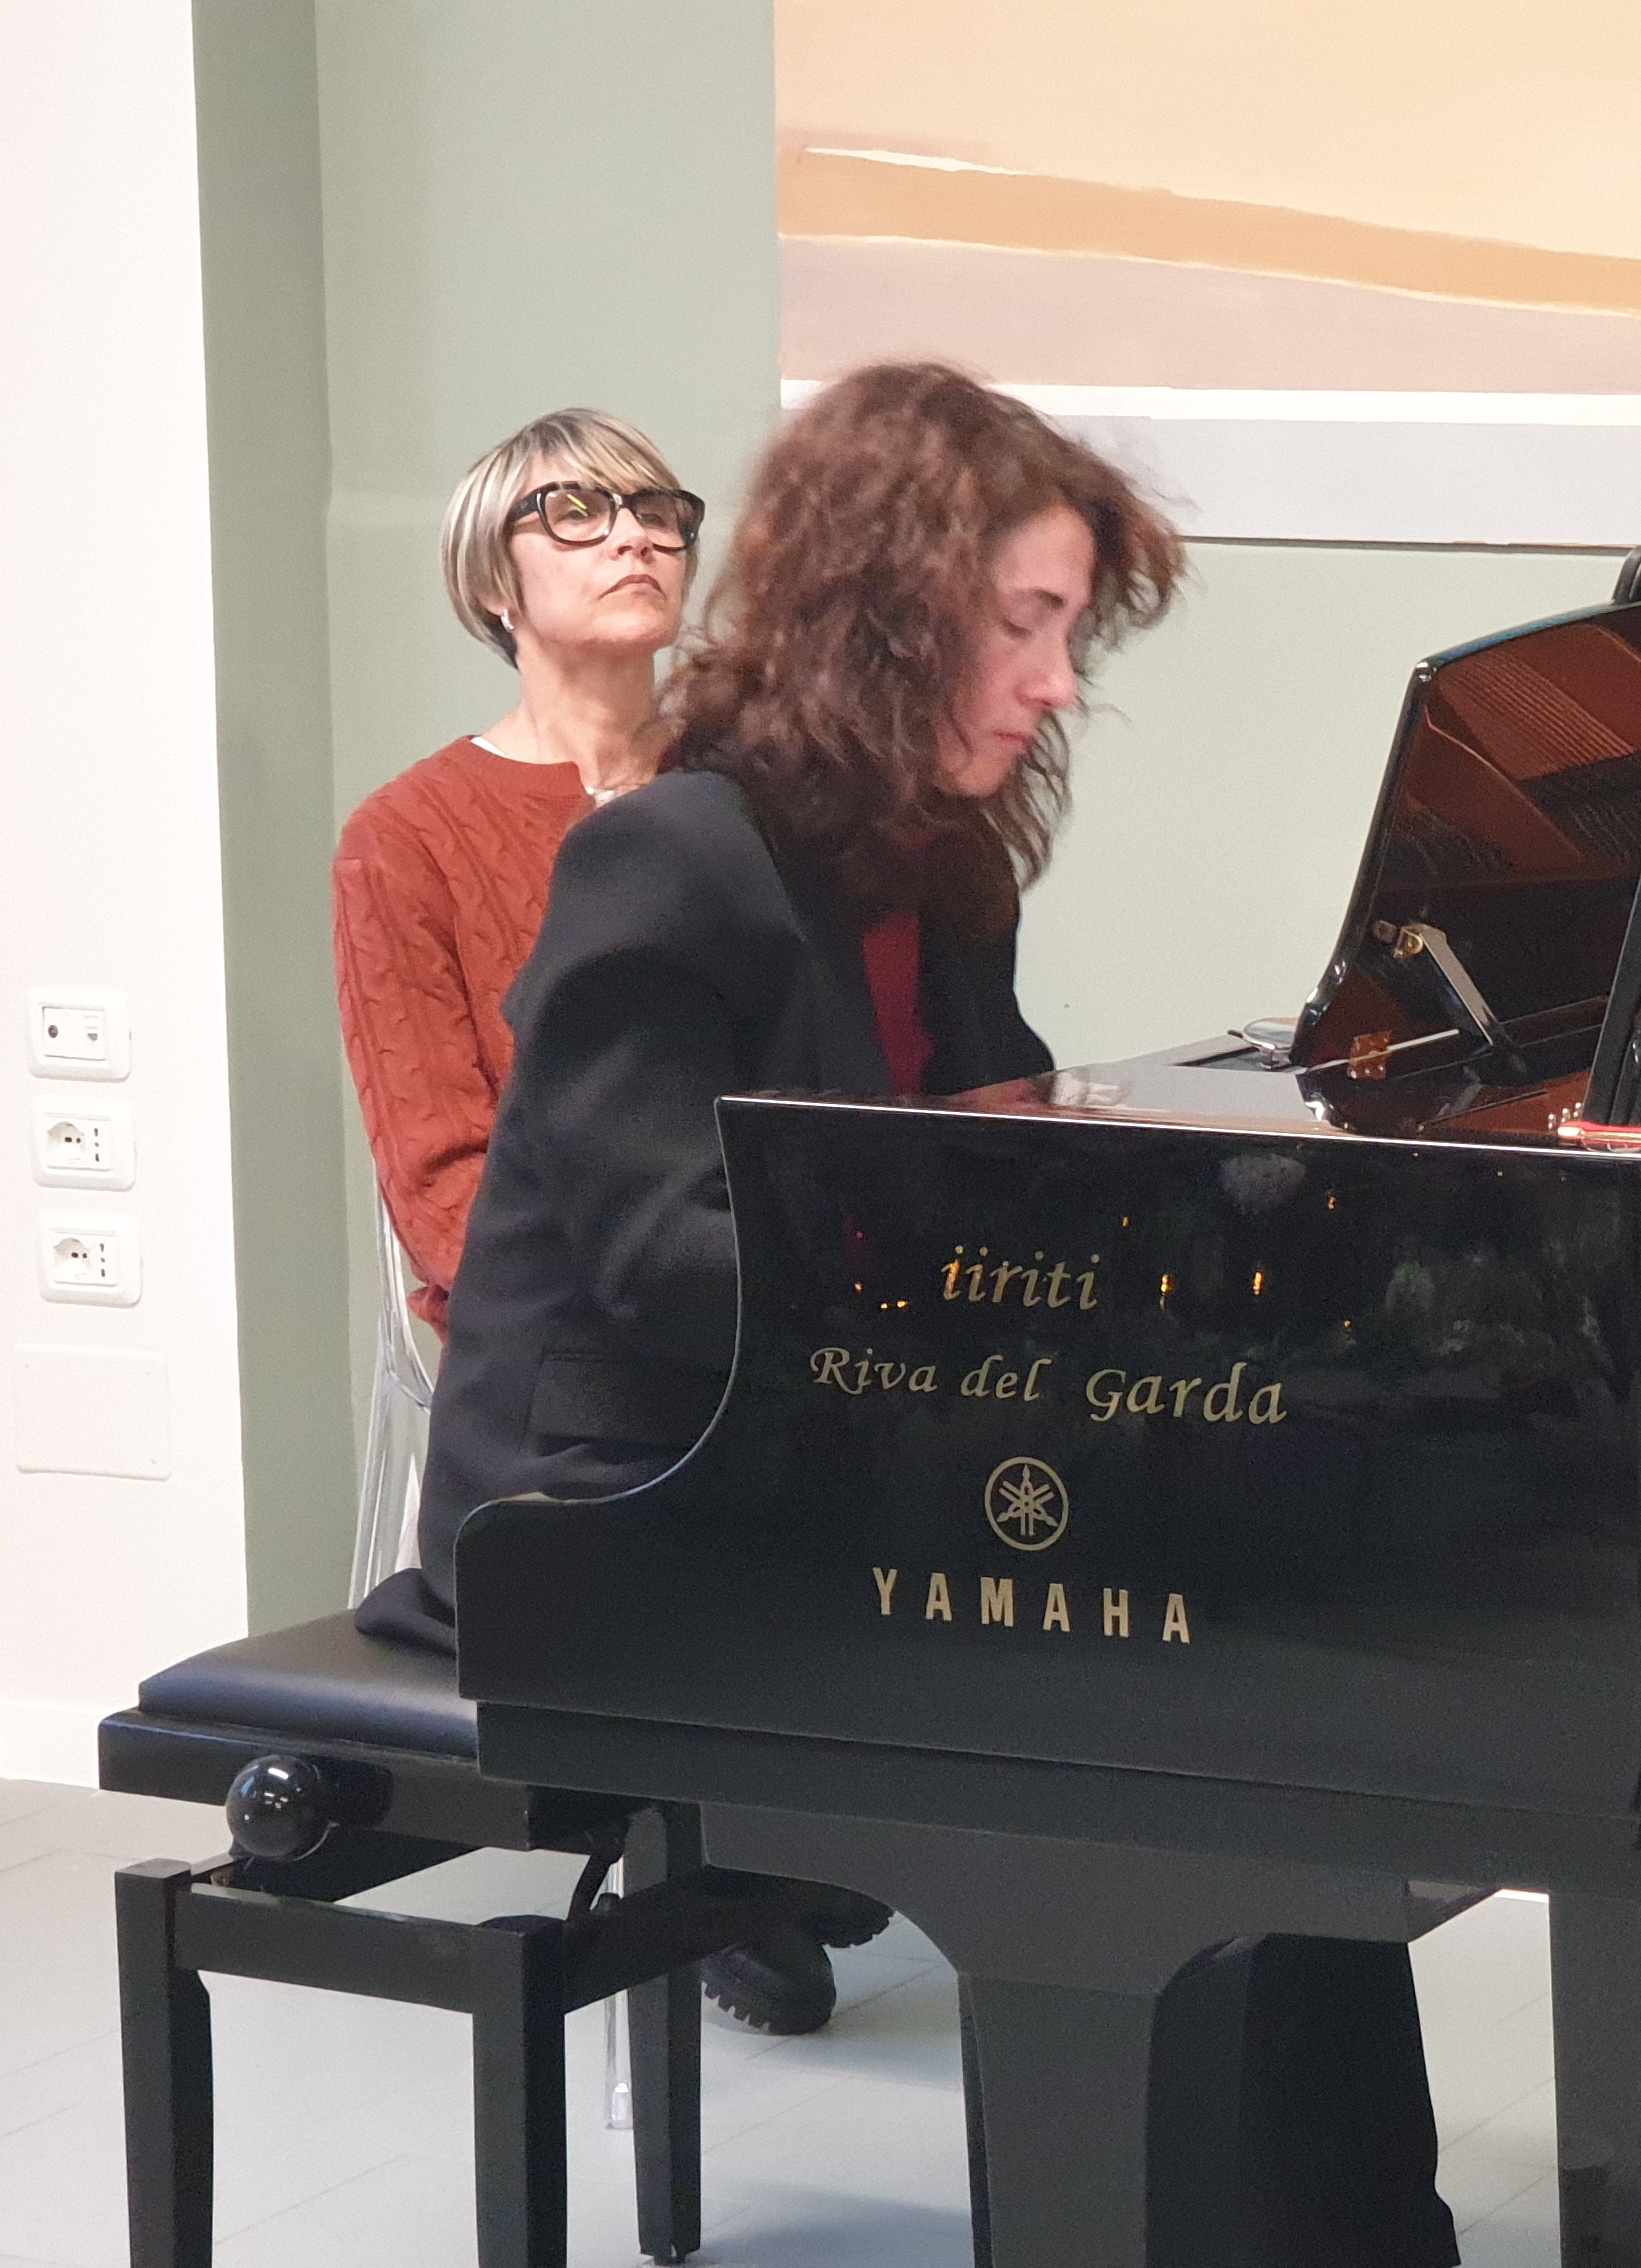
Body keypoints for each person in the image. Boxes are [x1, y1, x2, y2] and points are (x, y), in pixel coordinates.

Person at [364, 361, 1458, 2260]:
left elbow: (986, 1161)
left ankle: (1362, 2234)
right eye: (1024, 625)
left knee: (1274, 1663)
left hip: (810, 1455)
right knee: (1164, 1692)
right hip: (606, 1509)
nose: (1057, 681)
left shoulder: (930, 869)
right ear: (890, 615)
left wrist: (1183, 1248)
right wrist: (996, 1325)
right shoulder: (666, 857)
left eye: (1067, 632)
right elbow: (663, 1261)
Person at [334, 409, 698, 1332]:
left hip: (755, 1325)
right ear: (493, 582)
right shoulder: (404, 837)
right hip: (543, 1345)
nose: (633, 536)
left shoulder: (755, 790)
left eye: (656, 511)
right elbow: (439, 1184)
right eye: (576, 511)